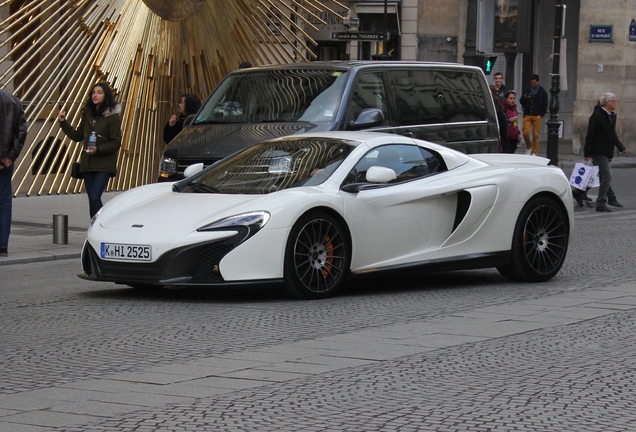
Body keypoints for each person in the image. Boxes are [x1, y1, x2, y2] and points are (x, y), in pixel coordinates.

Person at [58, 82, 122, 218]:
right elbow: (78, 136)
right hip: (87, 163)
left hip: (104, 164)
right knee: (92, 200)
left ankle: (104, 222)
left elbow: (116, 142)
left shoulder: (112, 116)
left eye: (99, 92)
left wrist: (98, 150)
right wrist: (63, 123)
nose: (95, 95)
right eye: (93, 92)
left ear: (106, 95)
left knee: (94, 197)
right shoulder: (87, 114)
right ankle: (95, 228)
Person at [583, 92, 627, 212]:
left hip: (606, 150)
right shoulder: (597, 116)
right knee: (606, 175)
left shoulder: (610, 115)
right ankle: (601, 202)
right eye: (613, 101)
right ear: (607, 103)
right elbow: (590, 135)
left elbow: (612, 134)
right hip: (598, 150)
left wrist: (620, 146)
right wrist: (587, 154)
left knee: (600, 175)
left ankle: (580, 192)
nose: (615, 103)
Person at [0, 89, 28, 258]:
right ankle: (2, 245)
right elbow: (22, 131)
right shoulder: (13, 101)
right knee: (4, 203)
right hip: (5, 160)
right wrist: (10, 156)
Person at [519, 74, 548, 155]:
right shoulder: (527, 90)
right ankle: (529, 146)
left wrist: (541, 114)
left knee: (535, 135)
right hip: (527, 114)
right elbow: (521, 101)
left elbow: (545, 104)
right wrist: (525, 98)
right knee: (525, 132)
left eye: (534, 83)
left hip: (537, 115)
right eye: (531, 83)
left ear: (538, 82)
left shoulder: (542, 92)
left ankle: (535, 152)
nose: (533, 84)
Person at [490, 84, 510, 153]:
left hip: (499, 116)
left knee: (502, 136)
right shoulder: (495, 98)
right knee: (503, 137)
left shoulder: (492, 98)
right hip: (500, 115)